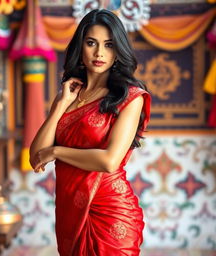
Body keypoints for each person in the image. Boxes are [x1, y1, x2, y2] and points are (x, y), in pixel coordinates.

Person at [29, 9, 151, 256]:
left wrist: (55, 151)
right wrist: (62, 105)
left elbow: (109, 161)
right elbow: (35, 157)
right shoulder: (67, 97)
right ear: (80, 47)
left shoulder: (129, 98)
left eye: (109, 45)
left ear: (118, 51)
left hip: (109, 212)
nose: (99, 53)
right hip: (69, 209)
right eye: (91, 43)